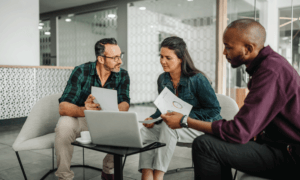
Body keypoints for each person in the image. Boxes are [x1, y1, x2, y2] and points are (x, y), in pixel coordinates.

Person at [161, 19, 300, 180]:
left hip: (291, 156)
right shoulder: (268, 66)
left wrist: (185, 121)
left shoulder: (271, 71)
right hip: (278, 146)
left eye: (228, 47)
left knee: (204, 145)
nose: (224, 53)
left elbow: (239, 132)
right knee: (212, 141)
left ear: (248, 49)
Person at [139, 36, 222, 180]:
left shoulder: (197, 79)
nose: (162, 61)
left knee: (169, 127)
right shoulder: (162, 79)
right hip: (179, 125)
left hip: (202, 127)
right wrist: (153, 117)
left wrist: (183, 117)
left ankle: (158, 176)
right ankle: (147, 174)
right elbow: (163, 107)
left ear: (181, 58)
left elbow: (214, 110)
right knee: (147, 129)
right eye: (161, 56)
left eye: (168, 58)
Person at [55, 38, 130, 180]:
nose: (120, 61)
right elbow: (63, 107)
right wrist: (85, 109)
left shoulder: (123, 74)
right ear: (101, 59)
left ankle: (108, 169)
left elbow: (125, 102)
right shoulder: (81, 71)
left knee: (129, 128)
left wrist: (113, 111)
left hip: (108, 120)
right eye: (115, 58)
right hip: (82, 120)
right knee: (64, 125)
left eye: (120, 56)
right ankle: (64, 176)